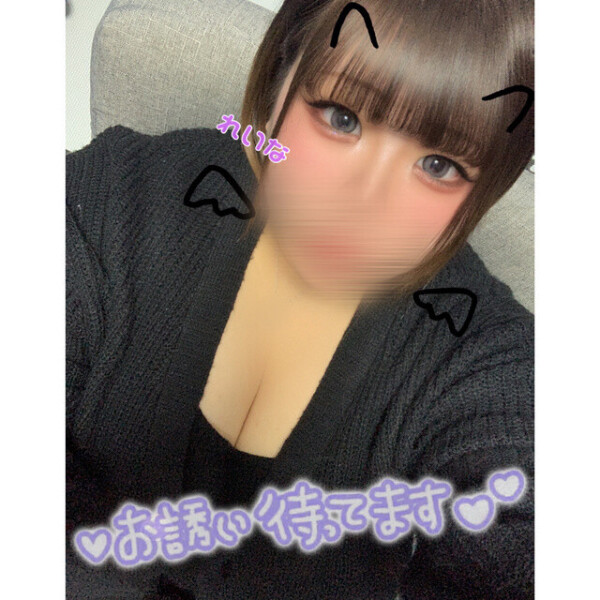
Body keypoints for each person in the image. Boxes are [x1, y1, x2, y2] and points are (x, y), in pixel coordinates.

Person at [66, 0, 534, 598]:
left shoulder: (481, 355)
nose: (363, 204)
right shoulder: (118, 198)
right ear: (277, 81)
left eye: (439, 165)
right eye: (342, 117)